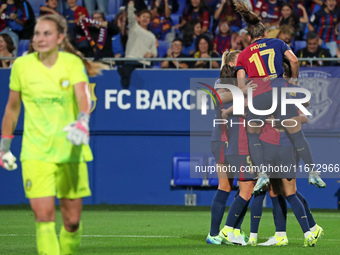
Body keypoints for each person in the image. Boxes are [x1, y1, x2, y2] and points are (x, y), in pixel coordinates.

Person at [0, 14, 106, 255]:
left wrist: (82, 120)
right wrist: (4, 146)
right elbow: (12, 107)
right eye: (37, 33)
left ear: (60, 38)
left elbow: (83, 96)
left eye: (47, 33)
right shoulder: (21, 66)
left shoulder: (71, 63)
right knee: (44, 218)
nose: (40, 38)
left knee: (72, 223)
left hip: (70, 151)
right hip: (35, 153)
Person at [233, 2, 326, 233]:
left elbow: (242, 86)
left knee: (251, 131)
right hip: (279, 90)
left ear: (248, 36)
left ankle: (262, 172)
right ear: (265, 33)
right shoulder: (276, 42)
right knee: (296, 131)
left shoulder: (243, 55)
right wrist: (293, 80)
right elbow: (294, 61)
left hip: (259, 96)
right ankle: (313, 171)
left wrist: (251, 88)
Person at [207, 50, 256, 245]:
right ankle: (215, 233)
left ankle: (233, 229)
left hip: (236, 139)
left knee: (243, 185)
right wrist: (243, 92)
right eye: (240, 62)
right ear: (230, 63)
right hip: (222, 138)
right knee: (227, 186)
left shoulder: (242, 82)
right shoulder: (222, 82)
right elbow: (219, 98)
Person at [118, 1, 157, 89]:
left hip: (144, 62)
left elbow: (155, 52)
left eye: (148, 17)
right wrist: (131, 5)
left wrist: (151, 54)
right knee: (127, 77)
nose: (145, 19)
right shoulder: (134, 27)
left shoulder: (152, 36)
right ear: (138, 18)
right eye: (143, 16)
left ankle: (122, 71)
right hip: (131, 59)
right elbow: (130, 16)